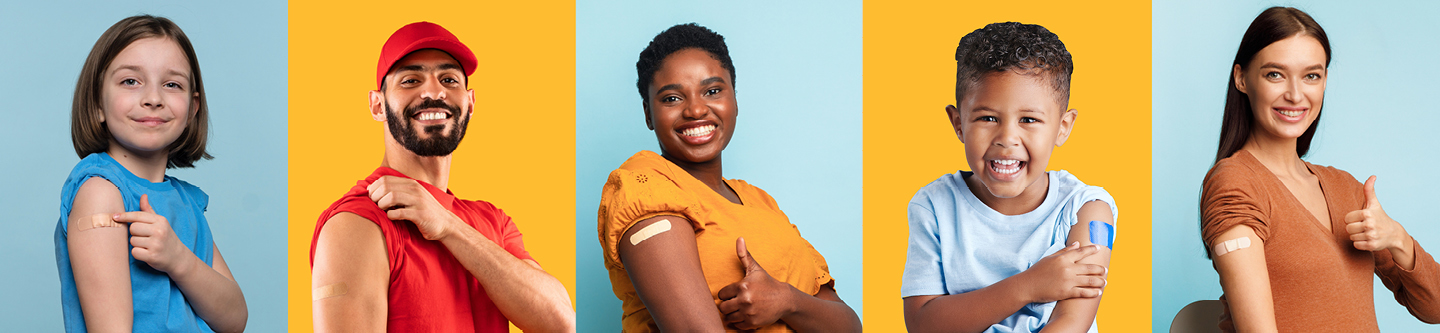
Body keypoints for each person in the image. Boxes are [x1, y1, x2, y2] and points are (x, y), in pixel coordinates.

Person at [308, 21, 574, 332]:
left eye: (448, 79)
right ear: (378, 105)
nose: (434, 91)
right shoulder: (357, 223)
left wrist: (449, 226)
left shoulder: (493, 222)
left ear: (470, 102)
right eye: (410, 80)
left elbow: (561, 322)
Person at [596, 23, 862, 332]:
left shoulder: (761, 202)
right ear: (647, 114)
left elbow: (848, 325)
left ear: (734, 99)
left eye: (712, 91)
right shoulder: (645, 184)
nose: (696, 109)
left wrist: (785, 300)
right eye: (671, 98)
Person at [1199, 7, 1440, 332]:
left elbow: (1434, 309)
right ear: (1242, 78)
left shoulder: (1348, 189)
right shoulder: (1236, 183)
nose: (1295, 94)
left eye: (1311, 75)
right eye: (1275, 74)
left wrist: (1396, 238)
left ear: (1324, 81)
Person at [900, 22, 1117, 333]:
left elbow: (1071, 323)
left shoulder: (1088, 210)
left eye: (1029, 119)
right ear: (958, 123)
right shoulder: (933, 207)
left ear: (1063, 127)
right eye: (987, 118)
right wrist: (1028, 286)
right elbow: (923, 324)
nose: (1007, 138)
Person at [55, 15, 248, 333]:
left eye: (172, 85)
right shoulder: (101, 194)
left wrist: (178, 258)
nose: (153, 99)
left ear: (192, 109)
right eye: (130, 81)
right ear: (97, 103)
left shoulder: (186, 202)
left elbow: (235, 319)